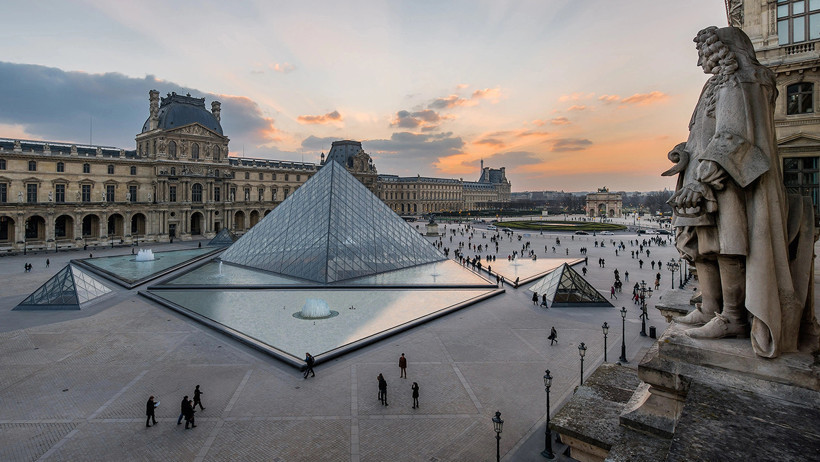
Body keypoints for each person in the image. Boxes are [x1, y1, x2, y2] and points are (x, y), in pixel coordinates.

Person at [667, 26, 818, 356]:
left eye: (705, 54)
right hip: (703, 172)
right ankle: (710, 306)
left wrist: (702, 177)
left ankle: (732, 316)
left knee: (726, 245)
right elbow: (704, 134)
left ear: (724, 50)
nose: (701, 62)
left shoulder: (740, 81)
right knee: (700, 242)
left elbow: (731, 136)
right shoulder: (718, 83)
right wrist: (685, 153)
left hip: (728, 178)